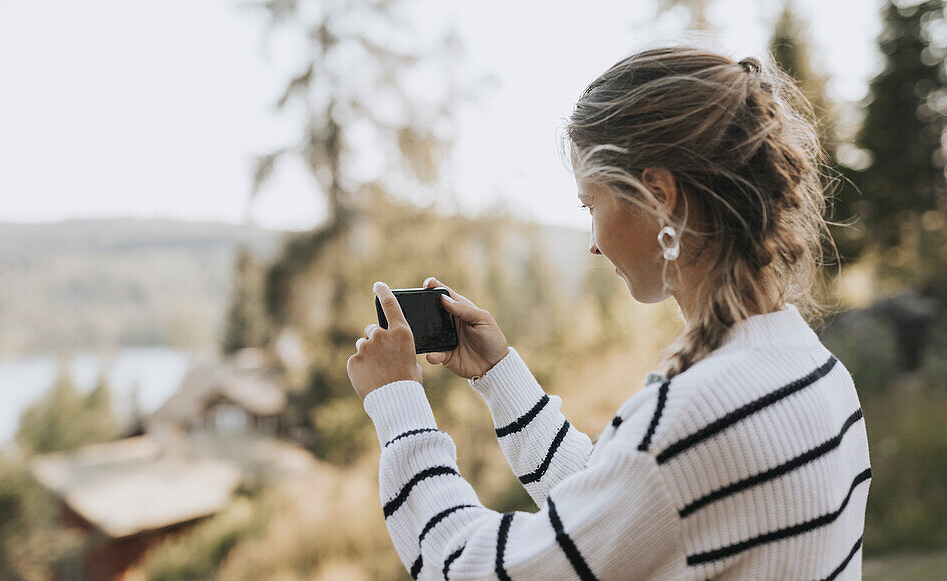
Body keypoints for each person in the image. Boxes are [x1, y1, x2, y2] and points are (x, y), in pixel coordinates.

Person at [347, 46, 871, 579]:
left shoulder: (690, 417)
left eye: (589, 205)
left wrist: (399, 408)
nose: (593, 243)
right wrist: (500, 377)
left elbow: (472, 571)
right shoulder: (814, 367)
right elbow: (621, 503)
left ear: (659, 196)